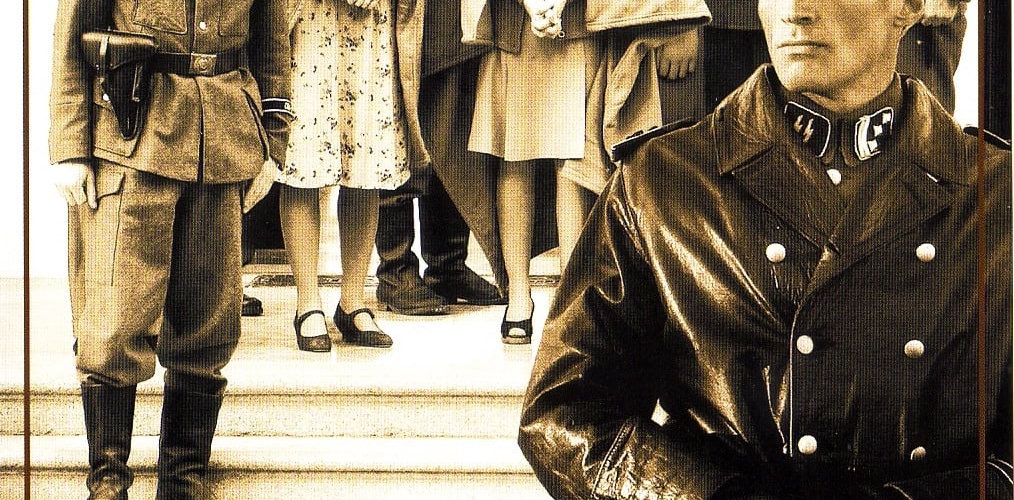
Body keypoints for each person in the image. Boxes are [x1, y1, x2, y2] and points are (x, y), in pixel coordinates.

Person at [518, 0, 1012, 498]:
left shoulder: (996, 194)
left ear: (907, 7)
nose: (793, 9)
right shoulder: (665, 181)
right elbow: (564, 413)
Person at [49, 0, 290, 497]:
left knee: (207, 329)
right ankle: (108, 483)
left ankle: (183, 482)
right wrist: (70, 148)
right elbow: (73, 37)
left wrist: (272, 143)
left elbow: (271, 42)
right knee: (113, 325)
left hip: (222, 140)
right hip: (130, 133)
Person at [464, 0, 709, 344]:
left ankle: (572, 295)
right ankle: (518, 293)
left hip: (582, 19)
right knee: (515, 153)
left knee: (576, 158)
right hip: (516, 22)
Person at [278, 0, 426, 351]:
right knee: (303, 157)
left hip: (369, 22)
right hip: (308, 17)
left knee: (366, 159)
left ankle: (352, 301)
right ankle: (307, 303)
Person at [373, 0, 504, 316]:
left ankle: (448, 266)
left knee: (453, 138)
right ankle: (395, 271)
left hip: (454, 19)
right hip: (400, 17)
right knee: (398, 132)